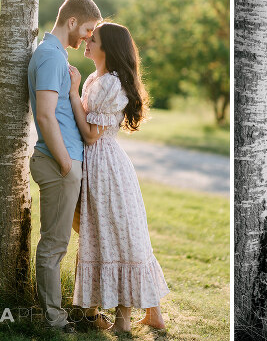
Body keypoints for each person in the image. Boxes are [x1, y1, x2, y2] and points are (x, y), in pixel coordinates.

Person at [68, 21, 169, 332]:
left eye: (93, 38)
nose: (87, 40)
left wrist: (72, 92)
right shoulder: (95, 80)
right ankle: (146, 314)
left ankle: (124, 320)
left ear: (107, 48)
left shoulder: (110, 84)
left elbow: (90, 135)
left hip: (106, 167)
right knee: (108, 235)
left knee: (119, 237)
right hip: (95, 165)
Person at [27, 0, 102, 333]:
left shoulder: (55, 56)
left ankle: (87, 309)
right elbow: (44, 115)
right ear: (72, 22)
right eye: (87, 29)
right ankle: (55, 322)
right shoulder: (50, 57)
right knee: (54, 246)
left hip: (68, 162)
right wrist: (66, 164)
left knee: (80, 240)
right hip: (60, 165)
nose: (88, 37)